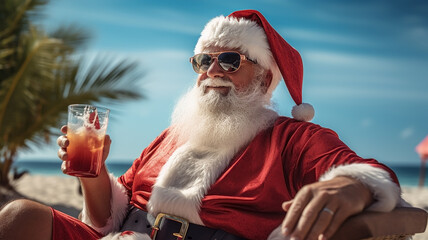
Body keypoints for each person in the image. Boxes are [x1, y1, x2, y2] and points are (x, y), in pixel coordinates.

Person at [0, 10, 407, 240]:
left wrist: (351, 183)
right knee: (20, 216)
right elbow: (107, 218)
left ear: (265, 78)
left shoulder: (294, 138)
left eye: (230, 60)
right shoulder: (173, 135)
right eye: (203, 61)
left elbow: (369, 174)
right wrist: (92, 173)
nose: (213, 70)